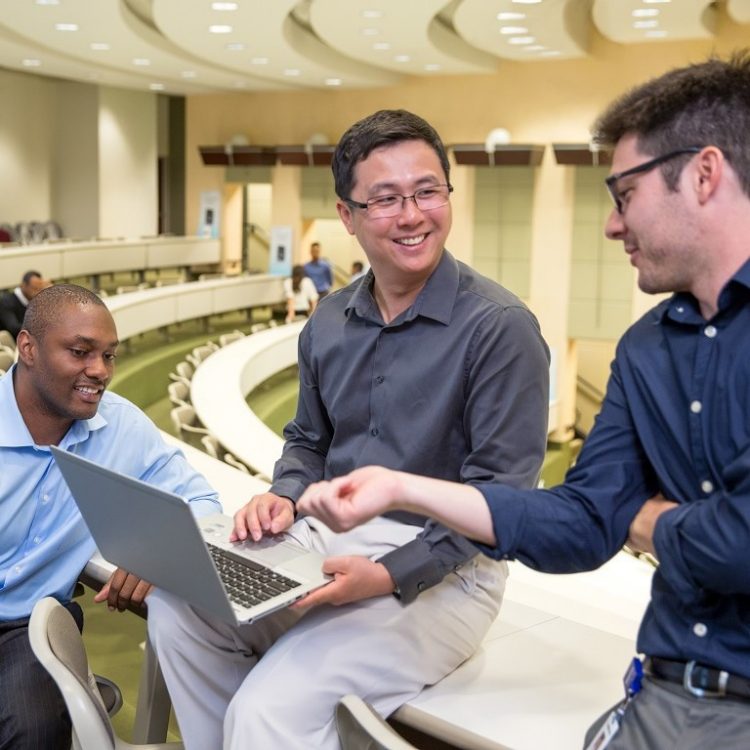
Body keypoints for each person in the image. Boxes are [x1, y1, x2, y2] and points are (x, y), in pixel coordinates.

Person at [298, 53, 750, 750]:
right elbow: (581, 523)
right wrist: (399, 486)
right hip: (665, 686)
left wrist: (645, 520)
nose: (609, 225)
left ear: (704, 174)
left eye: (623, 194)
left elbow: (738, 543)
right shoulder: (647, 349)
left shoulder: (500, 325)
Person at [147, 108, 550, 750]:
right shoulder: (329, 320)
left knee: (269, 710)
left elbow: (501, 500)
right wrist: (282, 494)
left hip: (447, 571)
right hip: (325, 540)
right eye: (386, 199)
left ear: (448, 194)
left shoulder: (501, 329)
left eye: (428, 191)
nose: (413, 214)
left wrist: (389, 574)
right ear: (347, 215)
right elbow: (308, 441)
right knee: (176, 610)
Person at [0, 284, 221, 750]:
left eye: (109, 356)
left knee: (33, 734)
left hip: (23, 630)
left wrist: (156, 553)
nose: (99, 371)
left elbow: (200, 502)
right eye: (80, 352)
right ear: (28, 349)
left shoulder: (121, 426)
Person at [0, 270, 51, 340]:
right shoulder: (6, 301)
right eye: (34, 289)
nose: (38, 292)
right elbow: (14, 328)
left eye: (40, 288)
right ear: (23, 285)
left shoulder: (35, 300)